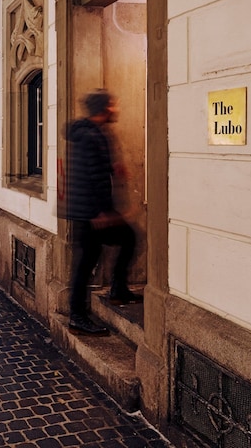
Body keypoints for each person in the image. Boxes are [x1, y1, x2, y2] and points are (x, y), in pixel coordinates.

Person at [66, 90, 142, 336]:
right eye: (113, 105)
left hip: (88, 211)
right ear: (104, 109)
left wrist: (112, 167)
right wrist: (102, 212)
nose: (116, 109)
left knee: (124, 240)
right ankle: (77, 315)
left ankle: (118, 289)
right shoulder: (90, 137)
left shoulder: (92, 133)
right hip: (91, 213)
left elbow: (95, 168)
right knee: (87, 262)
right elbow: (93, 177)